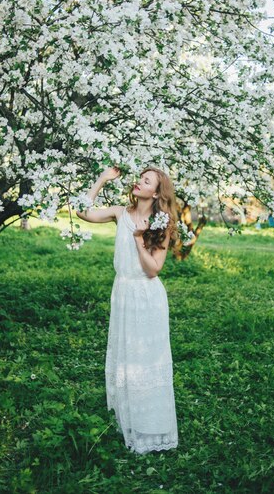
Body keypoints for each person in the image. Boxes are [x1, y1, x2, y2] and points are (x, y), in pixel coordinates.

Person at [76, 165, 179, 454]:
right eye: (140, 178)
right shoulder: (120, 212)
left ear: (156, 192)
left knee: (147, 360)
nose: (139, 182)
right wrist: (102, 179)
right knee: (127, 358)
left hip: (146, 296)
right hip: (122, 292)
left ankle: (152, 426)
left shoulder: (161, 222)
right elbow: (83, 212)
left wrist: (138, 239)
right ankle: (128, 421)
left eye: (146, 181)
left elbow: (154, 269)